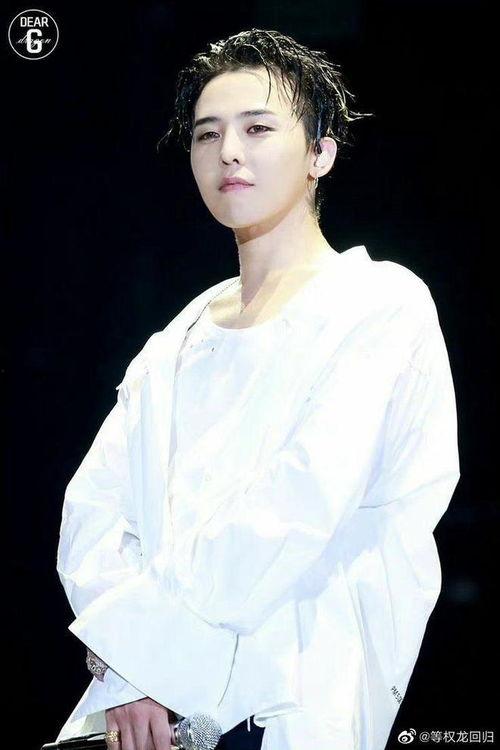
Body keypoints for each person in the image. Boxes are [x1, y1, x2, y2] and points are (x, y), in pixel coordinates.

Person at [54, 28, 460, 750]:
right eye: (207, 134)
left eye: (258, 128)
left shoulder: (379, 304)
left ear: (320, 153)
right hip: (145, 711)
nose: (228, 152)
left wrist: (149, 652)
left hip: (288, 696)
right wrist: (129, 670)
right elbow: (94, 511)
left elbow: (300, 501)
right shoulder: (174, 343)